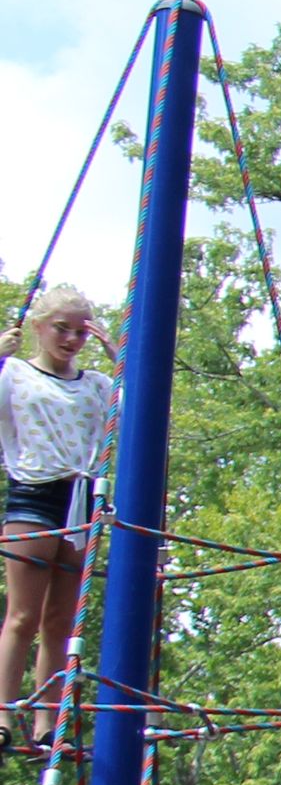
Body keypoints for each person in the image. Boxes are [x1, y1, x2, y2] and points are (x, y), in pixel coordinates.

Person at [0, 284, 118, 746]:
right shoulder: (14, 375)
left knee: (60, 622)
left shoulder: (98, 384)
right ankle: (6, 715)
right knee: (22, 614)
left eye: (80, 332)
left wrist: (118, 357)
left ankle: (48, 725)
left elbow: (130, 417)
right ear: (38, 328)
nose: (70, 340)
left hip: (81, 498)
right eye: (60, 329)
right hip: (33, 495)